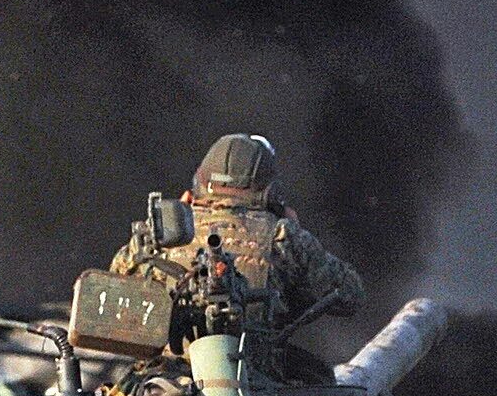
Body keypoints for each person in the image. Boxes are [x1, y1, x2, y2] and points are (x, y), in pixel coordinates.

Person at [111, 133, 364, 341]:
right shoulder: (282, 234)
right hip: (249, 385)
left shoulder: (161, 228)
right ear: (268, 191)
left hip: (166, 381)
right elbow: (350, 295)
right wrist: (297, 237)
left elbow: (110, 292)